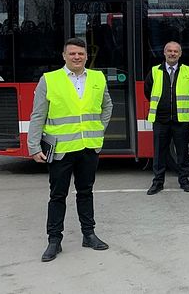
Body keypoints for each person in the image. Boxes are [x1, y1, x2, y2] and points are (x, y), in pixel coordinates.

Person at [27, 38, 113, 262]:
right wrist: (34, 146)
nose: (77, 57)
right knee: (57, 195)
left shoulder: (98, 78)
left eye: (81, 54)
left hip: (88, 148)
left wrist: (98, 130)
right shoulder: (49, 80)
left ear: (86, 56)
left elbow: (107, 106)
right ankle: (54, 240)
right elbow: (38, 114)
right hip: (61, 149)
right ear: (64, 56)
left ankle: (89, 234)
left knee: (86, 192)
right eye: (72, 54)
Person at [144, 41, 189, 195]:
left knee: (182, 151)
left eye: (175, 51)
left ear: (180, 54)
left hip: (181, 119)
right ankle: (158, 182)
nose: (172, 53)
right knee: (159, 152)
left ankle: (184, 180)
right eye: (169, 51)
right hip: (161, 119)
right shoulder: (155, 71)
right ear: (164, 53)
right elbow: (148, 91)